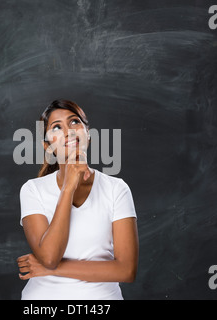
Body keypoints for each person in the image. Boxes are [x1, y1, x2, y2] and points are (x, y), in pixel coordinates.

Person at [17, 99, 139, 300]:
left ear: (88, 134)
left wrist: (52, 270)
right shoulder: (32, 190)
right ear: (47, 146)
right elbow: (49, 257)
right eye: (56, 127)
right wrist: (67, 189)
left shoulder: (117, 189)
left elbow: (126, 271)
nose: (68, 131)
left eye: (74, 122)